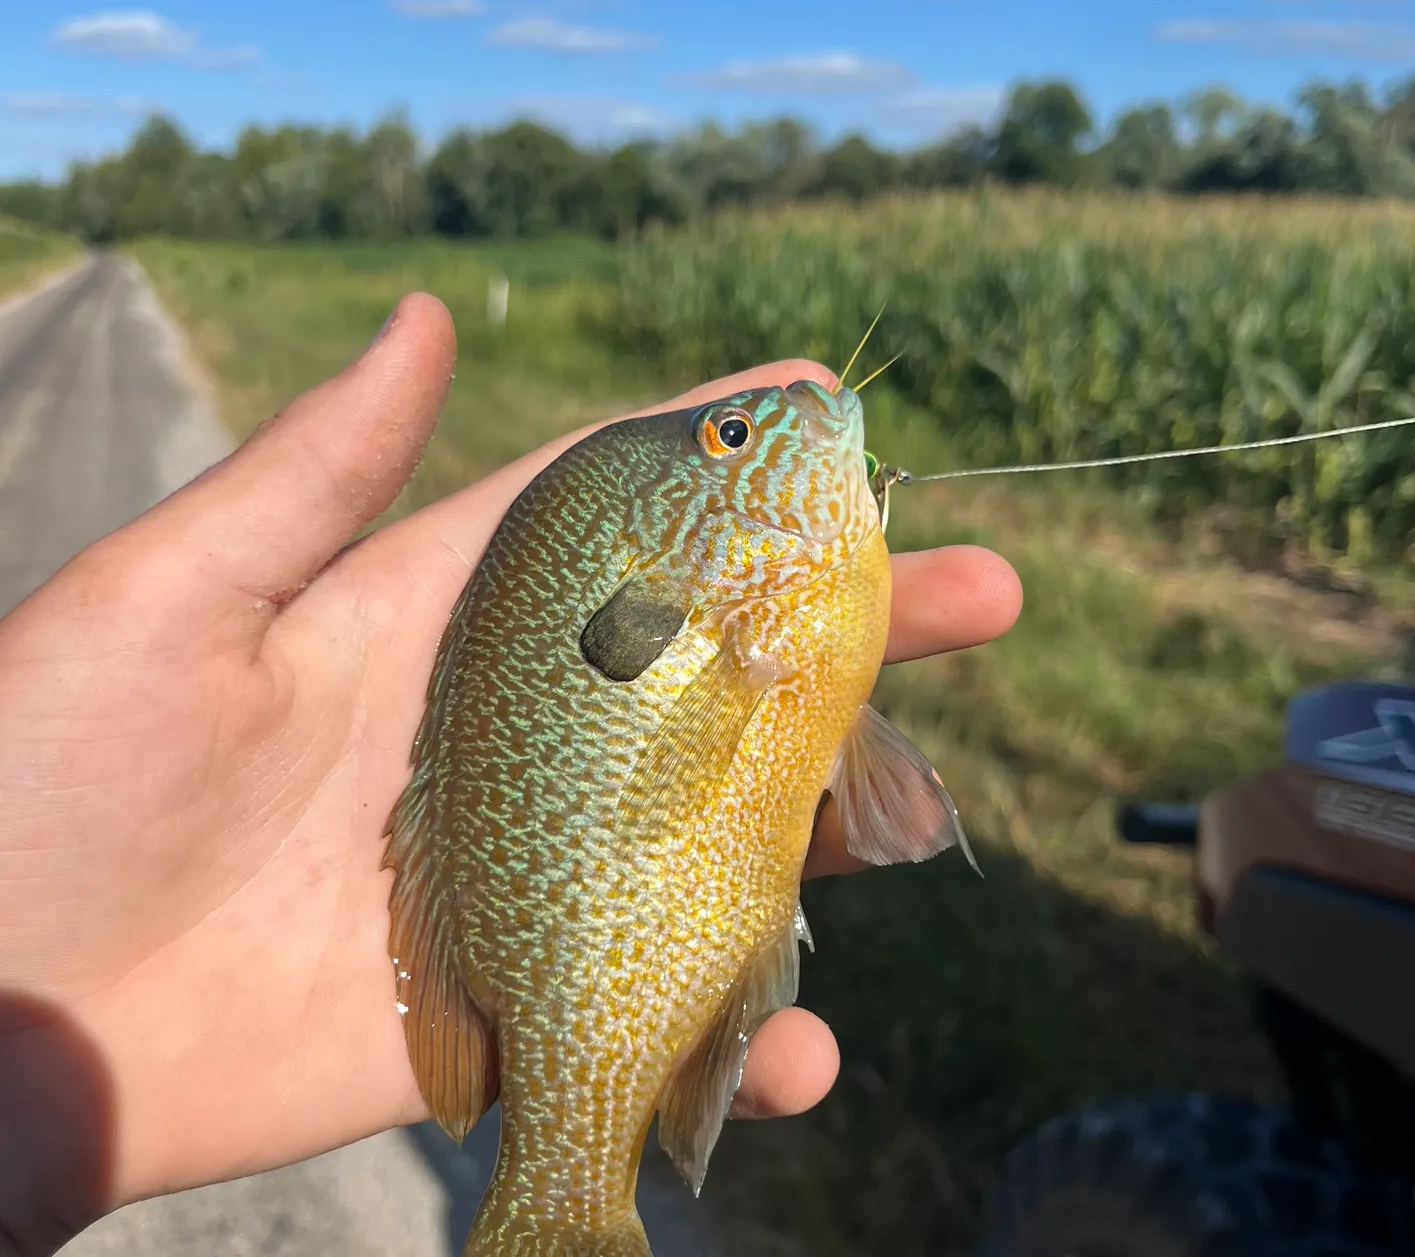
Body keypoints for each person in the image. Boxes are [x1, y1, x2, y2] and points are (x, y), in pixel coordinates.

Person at [0, 294, 1022, 1257]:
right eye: (732, 439)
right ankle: (566, 1203)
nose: (789, 414)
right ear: (674, 538)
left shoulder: (783, 600)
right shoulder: (770, 609)